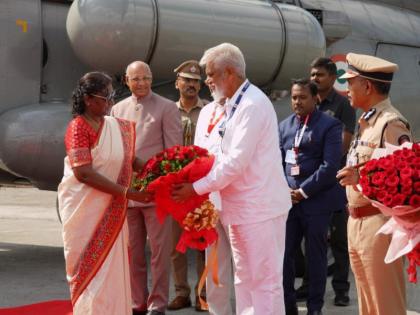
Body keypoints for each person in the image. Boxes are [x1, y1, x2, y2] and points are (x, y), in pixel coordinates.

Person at [172, 42, 292, 315]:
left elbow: (234, 163)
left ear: (229, 72)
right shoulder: (229, 106)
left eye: (212, 74)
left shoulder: (252, 105)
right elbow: (212, 156)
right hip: (237, 209)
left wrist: (195, 189)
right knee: (245, 280)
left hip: (259, 210)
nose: (208, 81)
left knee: (264, 282)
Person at [58, 72, 153, 315]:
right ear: (89, 99)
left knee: (112, 271)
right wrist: (128, 193)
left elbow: (130, 159)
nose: (111, 102)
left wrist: (160, 171)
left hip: (111, 207)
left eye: (113, 95)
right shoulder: (77, 128)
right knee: (90, 272)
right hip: (85, 212)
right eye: (106, 96)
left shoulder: (114, 127)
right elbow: (84, 174)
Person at [337, 53, 411, 315]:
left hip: (378, 226)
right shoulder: (368, 121)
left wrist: (362, 179)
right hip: (357, 223)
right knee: (367, 306)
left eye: (350, 83)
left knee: (386, 306)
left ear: (367, 86)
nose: (346, 90)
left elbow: (407, 183)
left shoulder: (390, 124)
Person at [110, 61, 183, 315]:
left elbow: (173, 154)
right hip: (128, 194)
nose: (141, 83)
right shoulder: (117, 109)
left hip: (155, 194)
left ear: (152, 79)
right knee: (134, 254)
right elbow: (114, 152)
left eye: (145, 78)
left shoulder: (167, 107)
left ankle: (157, 303)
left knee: (159, 254)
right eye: (135, 79)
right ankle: (137, 302)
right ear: (126, 81)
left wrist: (163, 185)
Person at [279, 79, 344, 315]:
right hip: (288, 202)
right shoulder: (284, 126)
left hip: (317, 202)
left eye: (302, 97)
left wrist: (302, 191)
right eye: (294, 97)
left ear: (315, 98)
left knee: (316, 258)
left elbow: (330, 166)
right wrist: (284, 189)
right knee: (284, 256)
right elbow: (276, 162)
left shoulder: (330, 125)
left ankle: (315, 309)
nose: (297, 102)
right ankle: (288, 307)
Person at [295, 57, 355, 306]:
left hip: (335, 183)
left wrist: (322, 164)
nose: (314, 79)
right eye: (312, 74)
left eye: (319, 75)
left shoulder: (343, 106)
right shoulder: (308, 102)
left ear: (332, 77)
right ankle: (309, 286)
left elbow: (343, 143)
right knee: (313, 238)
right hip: (312, 185)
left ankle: (341, 289)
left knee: (339, 239)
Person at [168, 60, 208, 312]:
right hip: (175, 188)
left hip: (202, 187)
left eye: (195, 81)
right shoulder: (168, 111)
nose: (191, 85)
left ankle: (202, 294)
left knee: (203, 244)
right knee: (175, 245)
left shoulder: (209, 110)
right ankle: (181, 292)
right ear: (177, 83)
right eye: (186, 80)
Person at [194, 94, 234, 315]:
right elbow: (197, 154)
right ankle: (219, 311)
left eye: (213, 76)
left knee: (244, 267)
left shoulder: (244, 108)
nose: (209, 81)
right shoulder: (206, 111)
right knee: (215, 265)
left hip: (236, 199)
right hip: (210, 199)